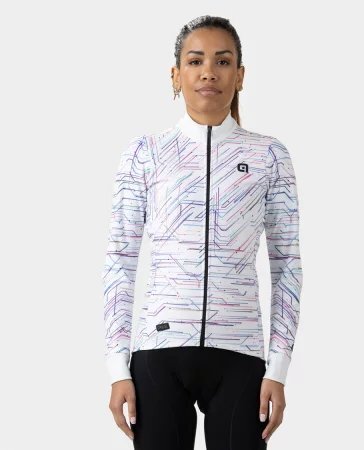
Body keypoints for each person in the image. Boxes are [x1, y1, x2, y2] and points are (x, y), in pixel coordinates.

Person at [102, 15, 303, 450]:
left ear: (240, 75)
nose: (208, 72)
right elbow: (120, 261)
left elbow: (287, 265)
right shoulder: (145, 153)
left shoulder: (269, 155)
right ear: (176, 75)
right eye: (195, 61)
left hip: (241, 357)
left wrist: (278, 368)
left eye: (222, 61)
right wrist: (118, 368)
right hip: (158, 354)